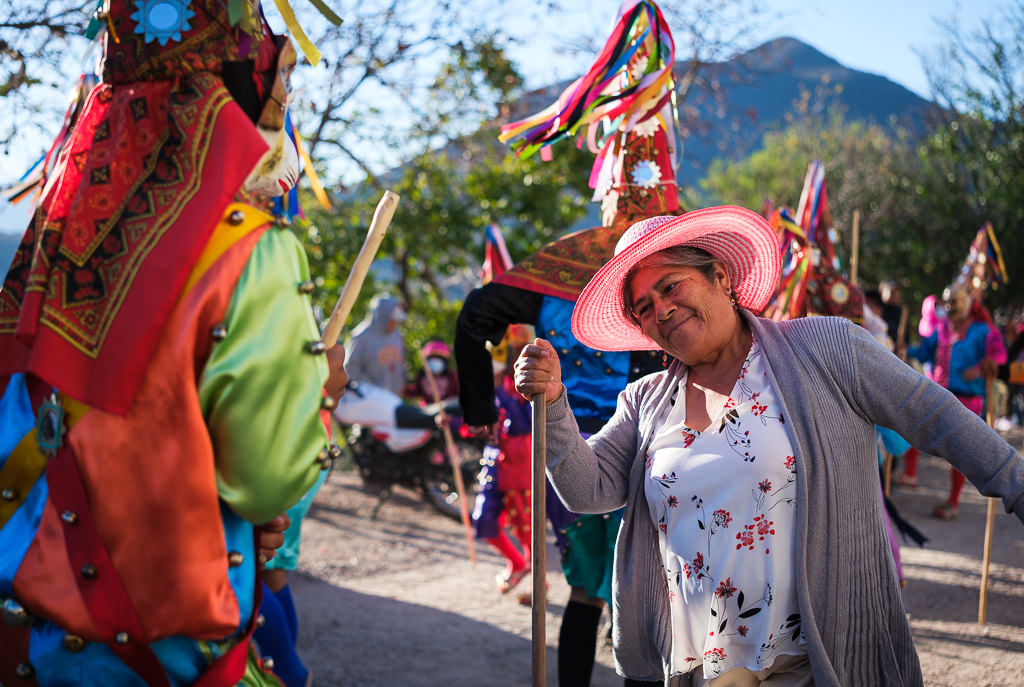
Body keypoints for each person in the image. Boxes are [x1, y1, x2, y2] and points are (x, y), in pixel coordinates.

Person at [513, 206, 1024, 686]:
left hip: (814, 655)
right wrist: (555, 404)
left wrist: (1016, 487)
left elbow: (935, 416)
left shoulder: (827, 348)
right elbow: (588, 490)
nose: (662, 309)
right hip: (704, 663)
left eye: (671, 285)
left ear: (720, 277)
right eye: (644, 307)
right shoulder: (645, 402)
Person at [0, 2, 348, 684]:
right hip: (175, 659)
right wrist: (322, 399)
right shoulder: (247, 248)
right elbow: (265, 478)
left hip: (39, 654)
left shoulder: (43, 252)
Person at [461, 3, 683, 684]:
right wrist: (479, 409)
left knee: (647, 591)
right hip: (583, 454)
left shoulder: (684, 272)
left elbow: (475, 313)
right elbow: (476, 314)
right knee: (602, 589)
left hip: (667, 454)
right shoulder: (566, 272)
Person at [470, 325, 535, 594]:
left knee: (527, 530)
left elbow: (522, 424)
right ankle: (517, 563)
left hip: (520, 465)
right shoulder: (486, 381)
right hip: (494, 463)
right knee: (484, 520)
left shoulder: (523, 380)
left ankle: (536, 587)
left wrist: (497, 388)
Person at [346, 293, 407, 396]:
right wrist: (373, 389)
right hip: (369, 399)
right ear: (382, 316)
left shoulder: (396, 335)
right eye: (392, 320)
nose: (395, 324)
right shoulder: (361, 337)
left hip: (393, 398)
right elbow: (350, 369)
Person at [404, 339, 460, 404]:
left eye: (438, 358)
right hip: (427, 410)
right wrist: (402, 389)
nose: (435, 361)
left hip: (449, 410)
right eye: (433, 358)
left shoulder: (452, 376)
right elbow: (415, 390)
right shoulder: (422, 375)